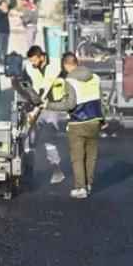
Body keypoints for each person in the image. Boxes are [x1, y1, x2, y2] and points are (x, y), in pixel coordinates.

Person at [44, 52, 104, 199]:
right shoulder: (95, 78)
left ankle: (80, 188)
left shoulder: (70, 80)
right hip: (95, 121)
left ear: (66, 65)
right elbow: (100, 100)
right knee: (91, 156)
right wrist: (103, 119)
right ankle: (89, 184)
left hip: (78, 122)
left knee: (77, 157)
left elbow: (69, 104)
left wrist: (49, 105)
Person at [23, 46, 65, 185]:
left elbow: (64, 82)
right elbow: (26, 85)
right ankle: (28, 171)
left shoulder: (56, 65)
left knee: (48, 138)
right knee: (30, 139)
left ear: (41, 56)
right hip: (36, 107)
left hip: (52, 107)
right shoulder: (29, 67)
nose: (33, 64)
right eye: (31, 61)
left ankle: (56, 169)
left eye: (34, 60)